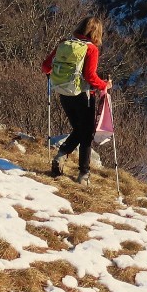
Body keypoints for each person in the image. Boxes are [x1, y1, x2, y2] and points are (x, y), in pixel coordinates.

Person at [41, 16, 110, 185]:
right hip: (83, 95)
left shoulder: (64, 44)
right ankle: (83, 175)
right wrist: (105, 85)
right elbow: (90, 76)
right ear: (97, 33)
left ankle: (62, 154)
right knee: (86, 134)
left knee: (79, 129)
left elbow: (45, 66)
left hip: (64, 92)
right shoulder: (91, 49)